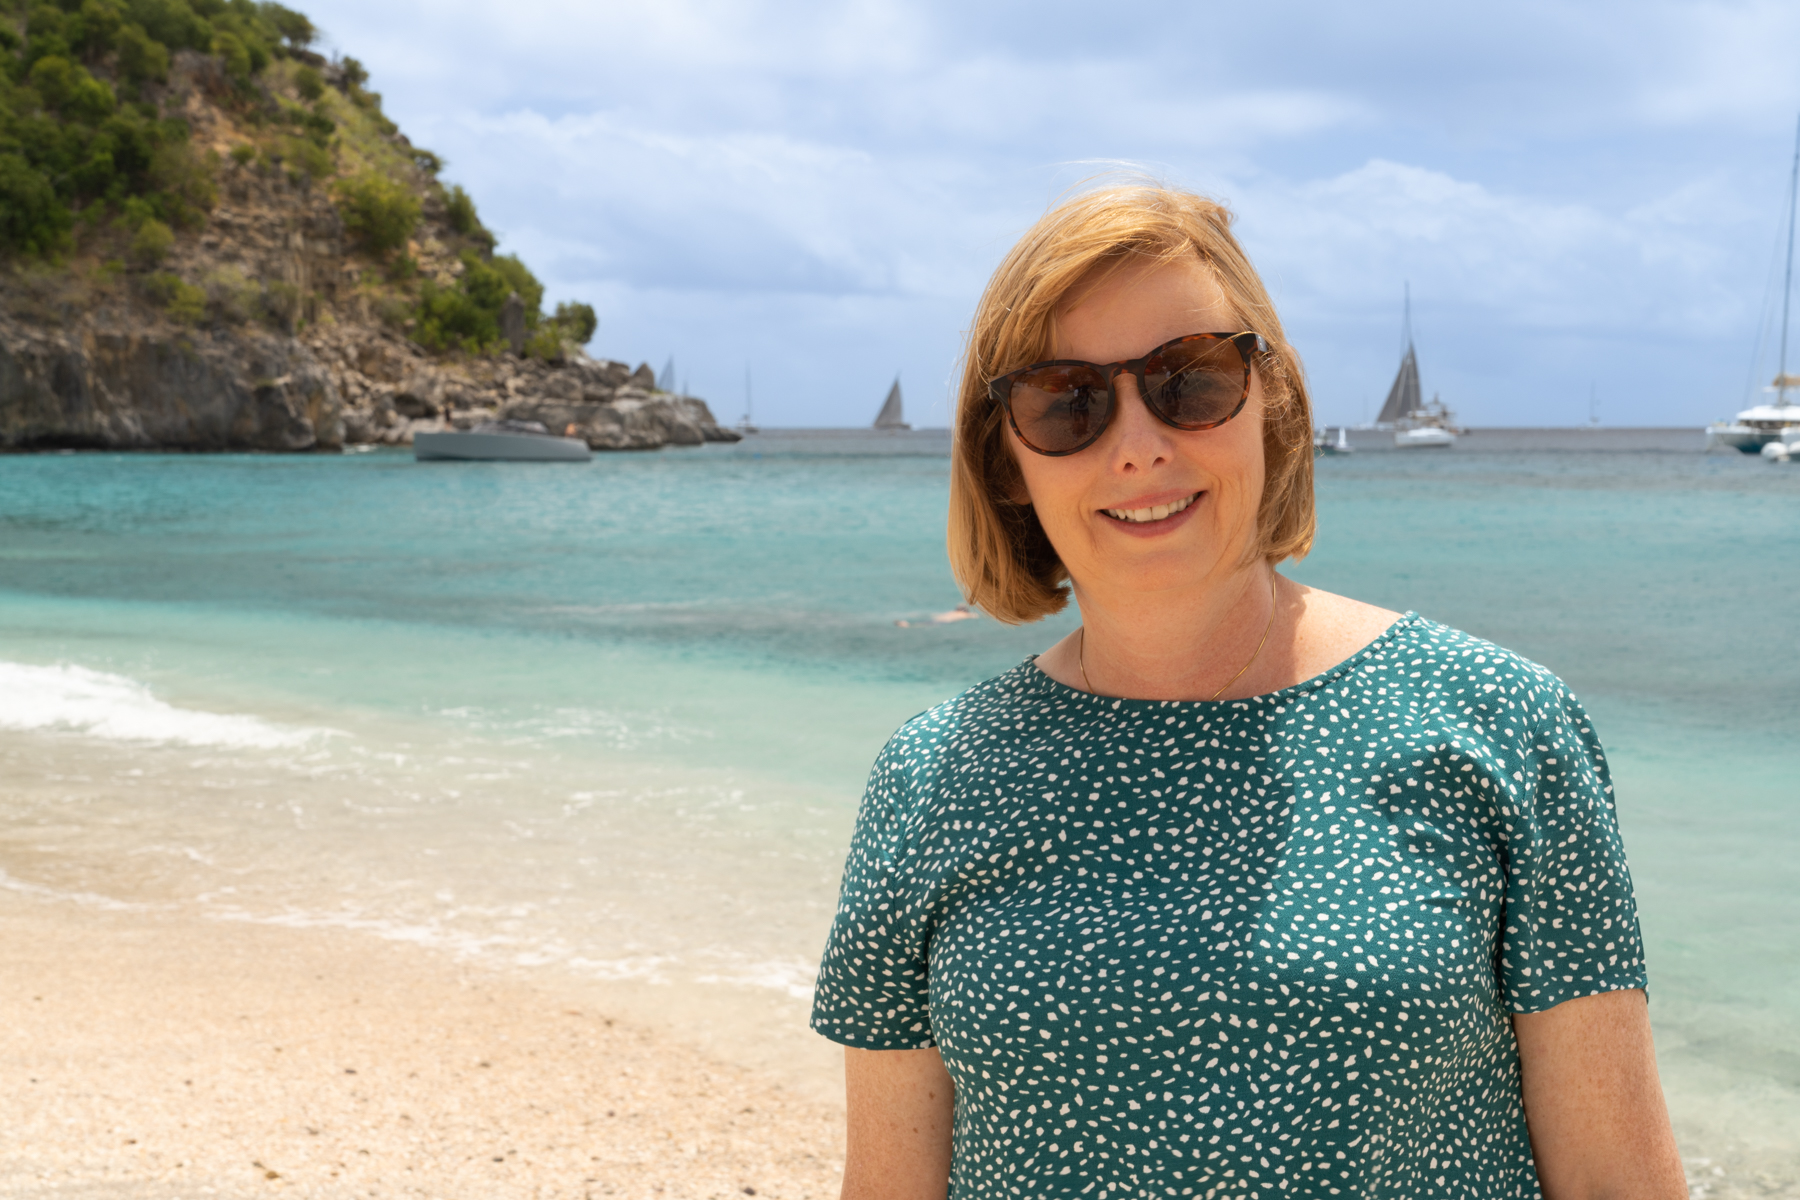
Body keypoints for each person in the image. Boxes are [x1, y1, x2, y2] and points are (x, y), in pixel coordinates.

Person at [810, 185, 1686, 1200]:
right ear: (1006, 458)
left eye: (1190, 381)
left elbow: (1617, 1180)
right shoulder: (930, 777)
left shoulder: (1501, 722)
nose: (1138, 445)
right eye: (1067, 402)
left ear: (1274, 403)